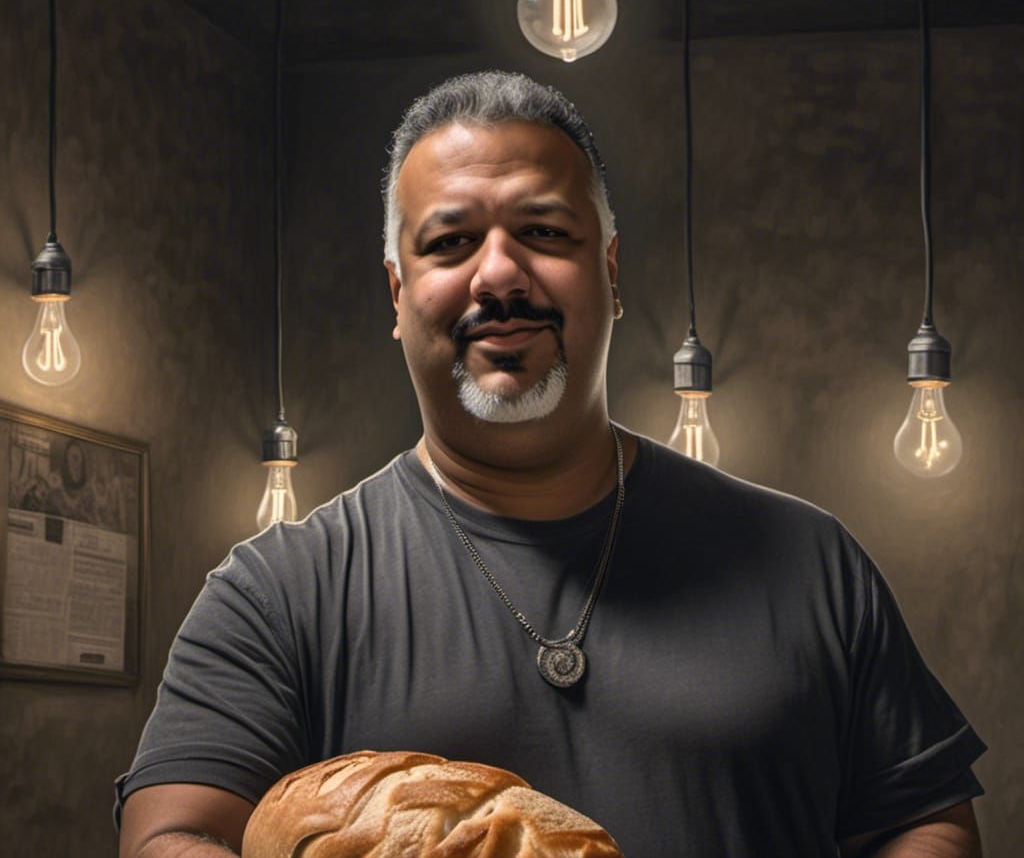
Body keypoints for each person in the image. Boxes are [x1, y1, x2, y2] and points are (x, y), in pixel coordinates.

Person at [116, 71, 986, 857]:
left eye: (542, 231)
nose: (499, 274)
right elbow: (171, 835)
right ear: (397, 293)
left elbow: (925, 822)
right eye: (450, 243)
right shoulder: (275, 592)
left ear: (609, 271)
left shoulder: (809, 560)